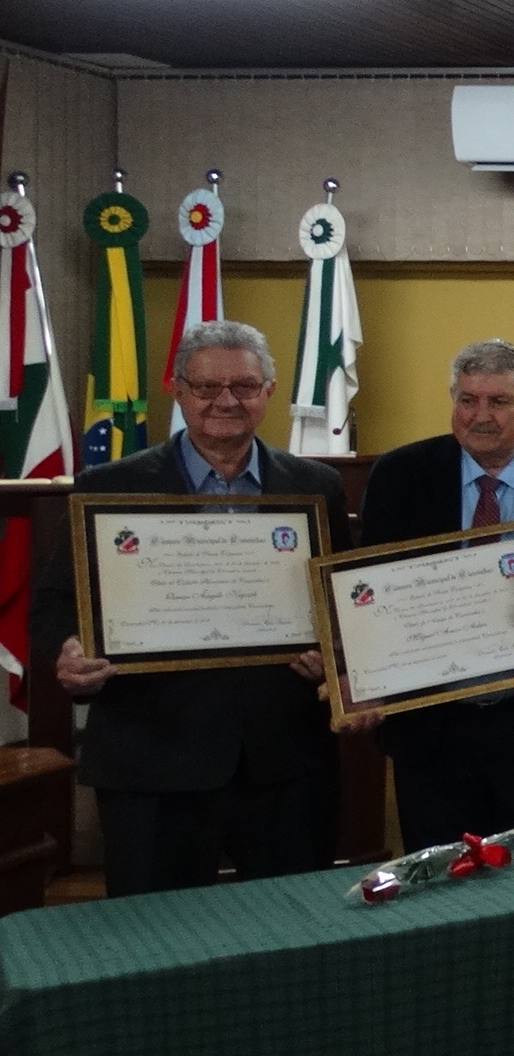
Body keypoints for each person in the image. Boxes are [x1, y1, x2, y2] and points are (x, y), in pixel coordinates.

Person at [32, 320, 350, 897]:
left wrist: (335, 658)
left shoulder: (316, 486)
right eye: (207, 388)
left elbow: (340, 602)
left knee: (294, 936)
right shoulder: (109, 487)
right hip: (152, 759)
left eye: (244, 387)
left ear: (269, 392)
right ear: (177, 390)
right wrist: (69, 655)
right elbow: (56, 604)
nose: (226, 401)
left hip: (283, 760)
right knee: (157, 947)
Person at [358, 339, 514, 861]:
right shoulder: (400, 476)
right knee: (442, 888)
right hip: (435, 730)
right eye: (467, 400)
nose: (480, 416)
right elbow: (366, 588)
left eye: (498, 402)